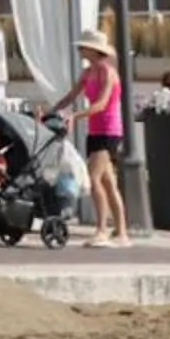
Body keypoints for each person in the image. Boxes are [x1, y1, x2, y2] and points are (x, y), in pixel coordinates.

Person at [47, 30, 131, 245]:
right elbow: (71, 96)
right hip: (95, 130)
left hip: (109, 130)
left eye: (83, 47)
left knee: (94, 178)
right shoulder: (88, 72)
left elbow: (102, 104)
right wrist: (52, 112)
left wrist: (75, 115)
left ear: (94, 49)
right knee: (108, 181)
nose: (79, 50)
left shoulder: (107, 71)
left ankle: (102, 230)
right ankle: (121, 233)